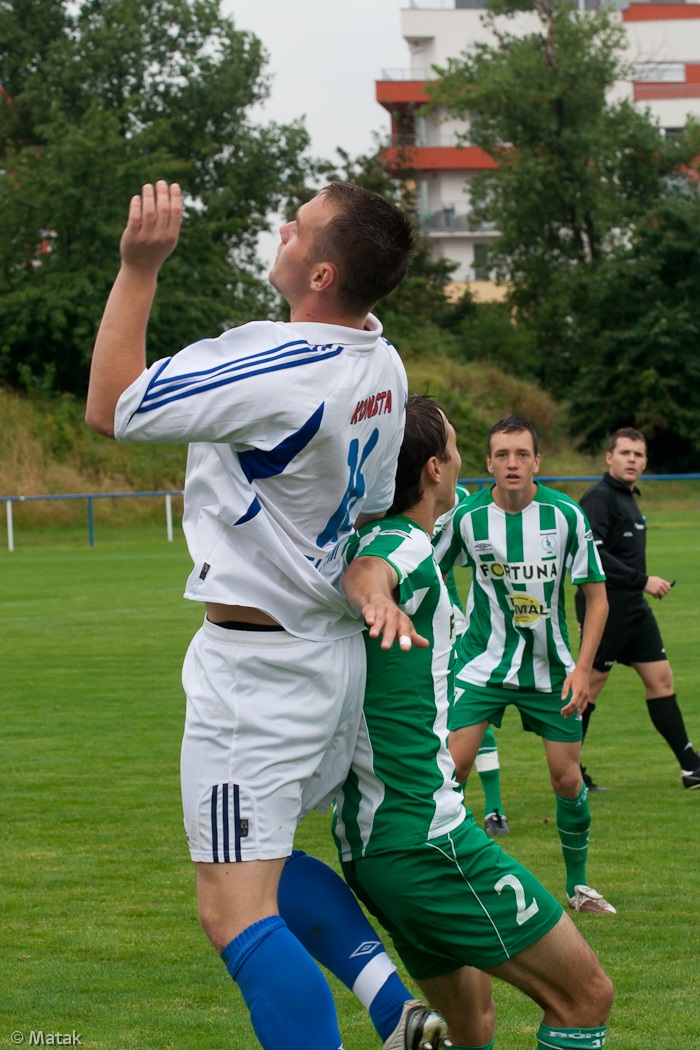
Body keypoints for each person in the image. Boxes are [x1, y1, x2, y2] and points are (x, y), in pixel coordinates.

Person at [85, 179, 446, 1050]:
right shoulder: (382, 360)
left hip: (257, 673)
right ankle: (395, 1007)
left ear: (320, 271)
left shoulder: (279, 363)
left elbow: (111, 407)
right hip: (324, 658)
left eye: (300, 225)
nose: (282, 228)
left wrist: (140, 268)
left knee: (232, 913)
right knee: (268, 862)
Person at [337, 396, 614, 1049]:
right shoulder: (402, 542)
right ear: (436, 469)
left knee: (472, 1024)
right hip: (427, 841)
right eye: (464, 448)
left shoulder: (374, 531)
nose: (480, 461)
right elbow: (373, 570)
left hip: (373, 843)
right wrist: (374, 595)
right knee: (586, 997)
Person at [434, 416, 616, 915]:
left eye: (520, 454)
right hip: (480, 664)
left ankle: (578, 887)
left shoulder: (566, 516)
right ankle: (447, 881)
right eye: (501, 455)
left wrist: (582, 669)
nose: (511, 463)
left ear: (537, 461)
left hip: (552, 668)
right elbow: (426, 569)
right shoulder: (467, 518)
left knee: (566, 779)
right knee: (454, 768)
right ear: (488, 463)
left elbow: (596, 599)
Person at [575, 427, 700, 790]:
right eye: (625, 452)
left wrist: (638, 587)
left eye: (638, 455)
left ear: (645, 462)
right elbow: (591, 553)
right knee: (590, 688)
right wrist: (641, 580)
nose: (632, 459)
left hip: (635, 611)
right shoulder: (599, 498)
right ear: (609, 457)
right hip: (607, 610)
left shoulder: (630, 498)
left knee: (661, 680)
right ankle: (570, 770)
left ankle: (691, 767)